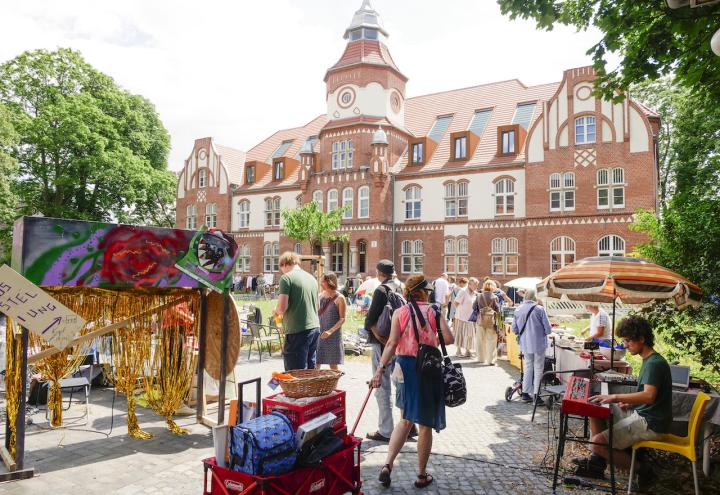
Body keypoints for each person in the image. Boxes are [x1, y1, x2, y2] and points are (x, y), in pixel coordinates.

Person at [370, 274, 455, 489]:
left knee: (406, 419)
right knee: (424, 425)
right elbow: (450, 338)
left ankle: (387, 465)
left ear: (408, 292)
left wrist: (379, 370)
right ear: (425, 292)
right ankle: (420, 475)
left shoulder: (401, 312)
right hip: (427, 368)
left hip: (404, 368)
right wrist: (431, 337)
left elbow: (390, 343)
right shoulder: (435, 311)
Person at [573, 316, 672, 490]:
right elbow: (649, 397)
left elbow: (649, 396)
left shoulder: (654, 364)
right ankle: (597, 464)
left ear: (641, 339)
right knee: (595, 409)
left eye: (628, 340)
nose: (625, 345)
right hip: (645, 415)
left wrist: (616, 397)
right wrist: (631, 404)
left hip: (651, 424)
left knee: (597, 442)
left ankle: (644, 470)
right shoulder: (650, 360)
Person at [364, 260, 405, 443]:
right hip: (401, 344)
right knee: (402, 384)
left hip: (384, 345)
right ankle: (409, 427)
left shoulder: (381, 290)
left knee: (382, 386)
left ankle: (386, 430)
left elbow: (369, 320)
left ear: (379, 272)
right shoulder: (401, 287)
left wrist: (380, 337)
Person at [273, 252, 320, 371]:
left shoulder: (286, 278)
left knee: (296, 373)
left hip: (297, 330)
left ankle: (298, 391)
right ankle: (310, 390)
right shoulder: (312, 278)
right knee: (310, 371)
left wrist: (276, 310)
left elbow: (282, 307)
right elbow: (317, 305)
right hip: (314, 328)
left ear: (283, 264)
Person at [511, 288, 551, 402]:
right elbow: (548, 329)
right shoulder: (539, 309)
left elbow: (514, 329)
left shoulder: (518, 309)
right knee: (538, 368)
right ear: (535, 297)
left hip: (525, 343)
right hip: (538, 343)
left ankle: (525, 393)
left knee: (528, 366)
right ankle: (536, 395)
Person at [316, 273, 345, 371]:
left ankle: (334, 386)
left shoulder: (340, 298)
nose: (321, 283)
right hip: (320, 333)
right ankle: (314, 385)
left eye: (323, 281)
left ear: (330, 282)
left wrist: (330, 331)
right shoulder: (320, 296)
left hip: (333, 335)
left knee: (333, 364)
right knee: (316, 361)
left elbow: (342, 319)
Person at [473, 280, 501, 365]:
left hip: (480, 320)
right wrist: (500, 324)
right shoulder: (495, 297)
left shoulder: (479, 296)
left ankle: (481, 359)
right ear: (493, 287)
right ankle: (490, 360)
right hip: (491, 321)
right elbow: (498, 311)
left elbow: (473, 307)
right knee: (491, 340)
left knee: (480, 340)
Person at [452, 277, 476, 357]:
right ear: (469, 284)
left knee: (469, 334)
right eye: (475, 285)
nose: (476, 287)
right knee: (460, 334)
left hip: (470, 317)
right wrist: (460, 311)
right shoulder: (463, 291)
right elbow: (455, 303)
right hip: (461, 317)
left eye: (477, 285)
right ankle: (458, 351)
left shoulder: (473, 292)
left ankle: (467, 351)